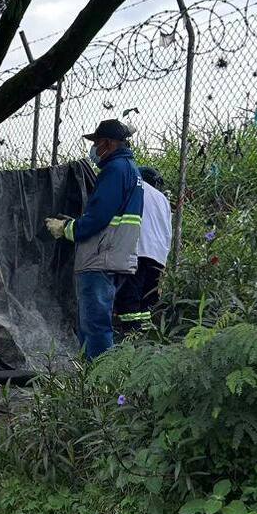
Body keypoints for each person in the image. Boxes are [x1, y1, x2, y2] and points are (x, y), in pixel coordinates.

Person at [45, 119, 143, 358]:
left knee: (94, 324)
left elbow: (99, 216)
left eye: (97, 143)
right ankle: (93, 380)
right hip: (116, 254)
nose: (94, 149)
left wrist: (67, 228)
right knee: (98, 320)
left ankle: (96, 383)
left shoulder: (115, 170)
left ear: (108, 144)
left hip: (100, 256)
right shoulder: (131, 170)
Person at [114, 166, 172, 335]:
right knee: (147, 299)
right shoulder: (162, 199)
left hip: (138, 249)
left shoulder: (135, 189)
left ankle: (130, 335)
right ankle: (146, 337)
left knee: (130, 295)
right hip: (158, 255)